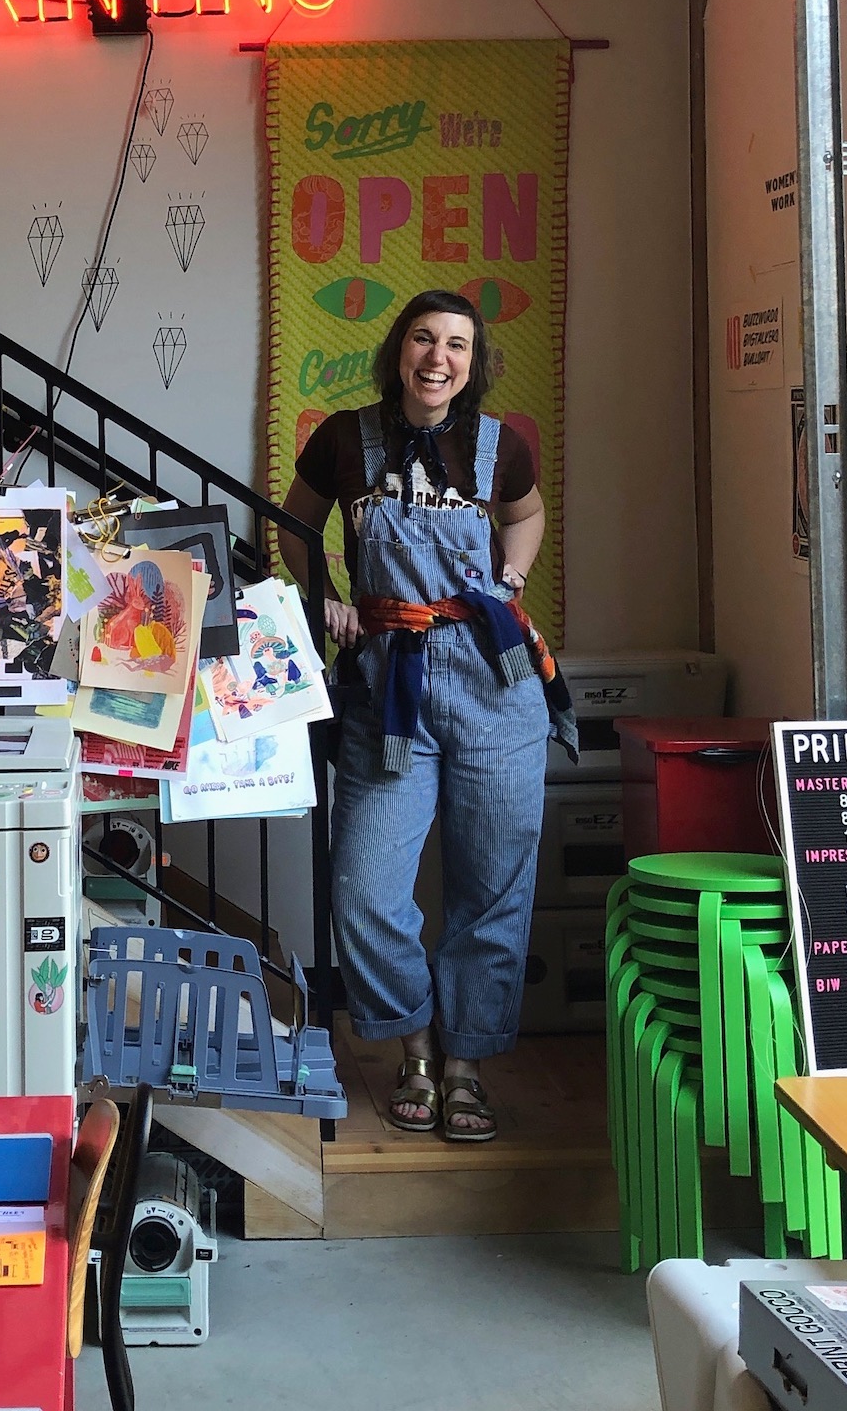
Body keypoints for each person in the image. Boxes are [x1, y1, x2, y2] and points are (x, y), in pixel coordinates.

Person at [280, 290, 574, 1142]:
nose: (438, 358)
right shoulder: (345, 438)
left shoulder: (499, 446)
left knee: (491, 888)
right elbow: (294, 525)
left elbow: (526, 515)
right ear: (398, 351)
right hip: (387, 686)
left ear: (473, 364)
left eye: (456, 346)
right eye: (423, 339)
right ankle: (415, 1044)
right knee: (366, 892)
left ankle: (465, 1066)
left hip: (495, 682)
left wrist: (512, 579)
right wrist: (322, 596)